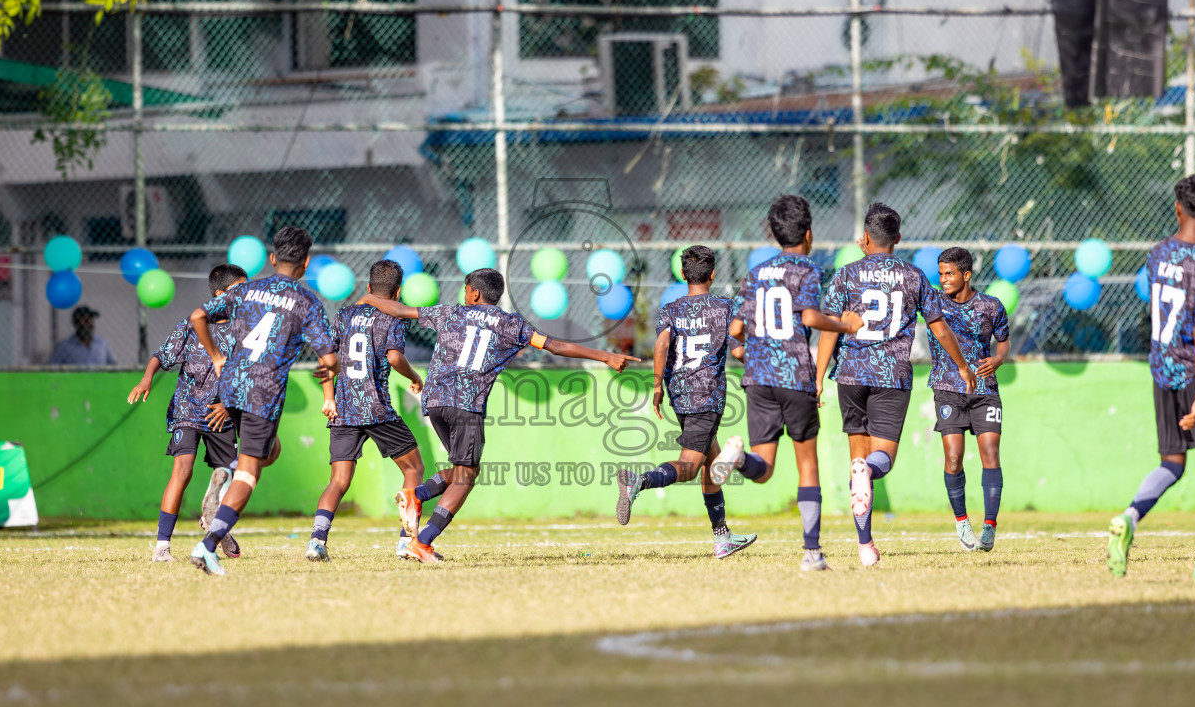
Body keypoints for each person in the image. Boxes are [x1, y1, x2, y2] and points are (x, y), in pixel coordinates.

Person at [361, 267, 639, 564]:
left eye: (466, 289)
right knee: (465, 477)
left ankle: (418, 496)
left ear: (475, 293)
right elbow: (555, 346)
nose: (464, 294)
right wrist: (605, 356)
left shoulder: (450, 312)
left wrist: (367, 297)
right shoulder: (510, 324)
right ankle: (422, 539)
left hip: (435, 400)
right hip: (466, 403)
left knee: (462, 471)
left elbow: (401, 309)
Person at [814, 202, 975, 568]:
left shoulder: (846, 274)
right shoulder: (914, 276)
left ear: (866, 238)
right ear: (899, 238)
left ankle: (865, 543)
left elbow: (828, 328)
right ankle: (867, 474)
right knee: (879, 462)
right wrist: (962, 365)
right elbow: (939, 327)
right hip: (891, 376)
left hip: (850, 374)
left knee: (858, 457)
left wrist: (818, 377)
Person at [708, 194, 862, 572]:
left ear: (775, 234)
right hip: (794, 375)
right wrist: (845, 324)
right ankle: (812, 553)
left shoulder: (755, 273)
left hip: (758, 378)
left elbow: (736, 330)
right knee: (807, 464)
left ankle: (739, 457)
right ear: (808, 233)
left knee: (764, 468)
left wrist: (743, 350)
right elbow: (809, 317)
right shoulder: (807, 270)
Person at [1107, 174, 1195, 581]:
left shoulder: (1156, 253)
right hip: (1193, 370)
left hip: (1160, 368)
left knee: (1172, 462)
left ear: (1178, 208)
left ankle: (1129, 517)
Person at [185, 227, 334, 575]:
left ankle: (229, 470)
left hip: (232, 386)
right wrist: (329, 369)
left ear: (272, 258)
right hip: (262, 393)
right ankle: (207, 547)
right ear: (307, 263)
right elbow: (328, 357)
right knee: (251, 474)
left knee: (271, 450)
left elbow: (197, 316)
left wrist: (217, 357)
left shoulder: (247, 288)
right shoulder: (307, 301)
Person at [615, 245, 758, 559]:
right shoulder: (725, 307)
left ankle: (722, 537)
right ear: (713, 273)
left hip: (679, 394)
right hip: (706, 396)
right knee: (691, 467)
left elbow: (662, 343)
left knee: (712, 460)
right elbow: (737, 350)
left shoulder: (672, 307)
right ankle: (639, 482)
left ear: (682, 274)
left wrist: (656, 387)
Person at [306, 259, 427, 563]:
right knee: (414, 470)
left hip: (344, 410)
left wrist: (328, 397)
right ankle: (405, 542)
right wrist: (414, 377)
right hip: (376, 409)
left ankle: (316, 541)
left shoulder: (345, 314)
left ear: (369, 288)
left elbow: (326, 360)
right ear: (397, 292)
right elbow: (396, 358)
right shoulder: (394, 318)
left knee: (338, 481)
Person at [127, 263, 247, 562]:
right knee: (183, 470)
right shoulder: (191, 324)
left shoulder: (246, 329)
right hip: (187, 407)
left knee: (232, 474)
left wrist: (228, 405)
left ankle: (214, 521)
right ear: (220, 294)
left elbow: (249, 375)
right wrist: (147, 378)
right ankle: (162, 547)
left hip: (221, 412)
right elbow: (161, 355)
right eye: (239, 289)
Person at [929, 247, 1009, 553]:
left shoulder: (991, 306)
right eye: (940, 274)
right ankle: (962, 520)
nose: (944, 279)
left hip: (985, 391)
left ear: (966, 275)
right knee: (953, 457)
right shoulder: (933, 301)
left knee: (990, 453)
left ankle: (989, 526)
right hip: (947, 388)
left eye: (949, 274)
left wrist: (999, 360)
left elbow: (1004, 343)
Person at [48, 306, 118, 366]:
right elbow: (50, 368)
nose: (89, 323)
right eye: (85, 320)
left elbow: (113, 365)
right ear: (76, 323)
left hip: (99, 381)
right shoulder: (65, 347)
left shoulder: (102, 343)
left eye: (91, 320)